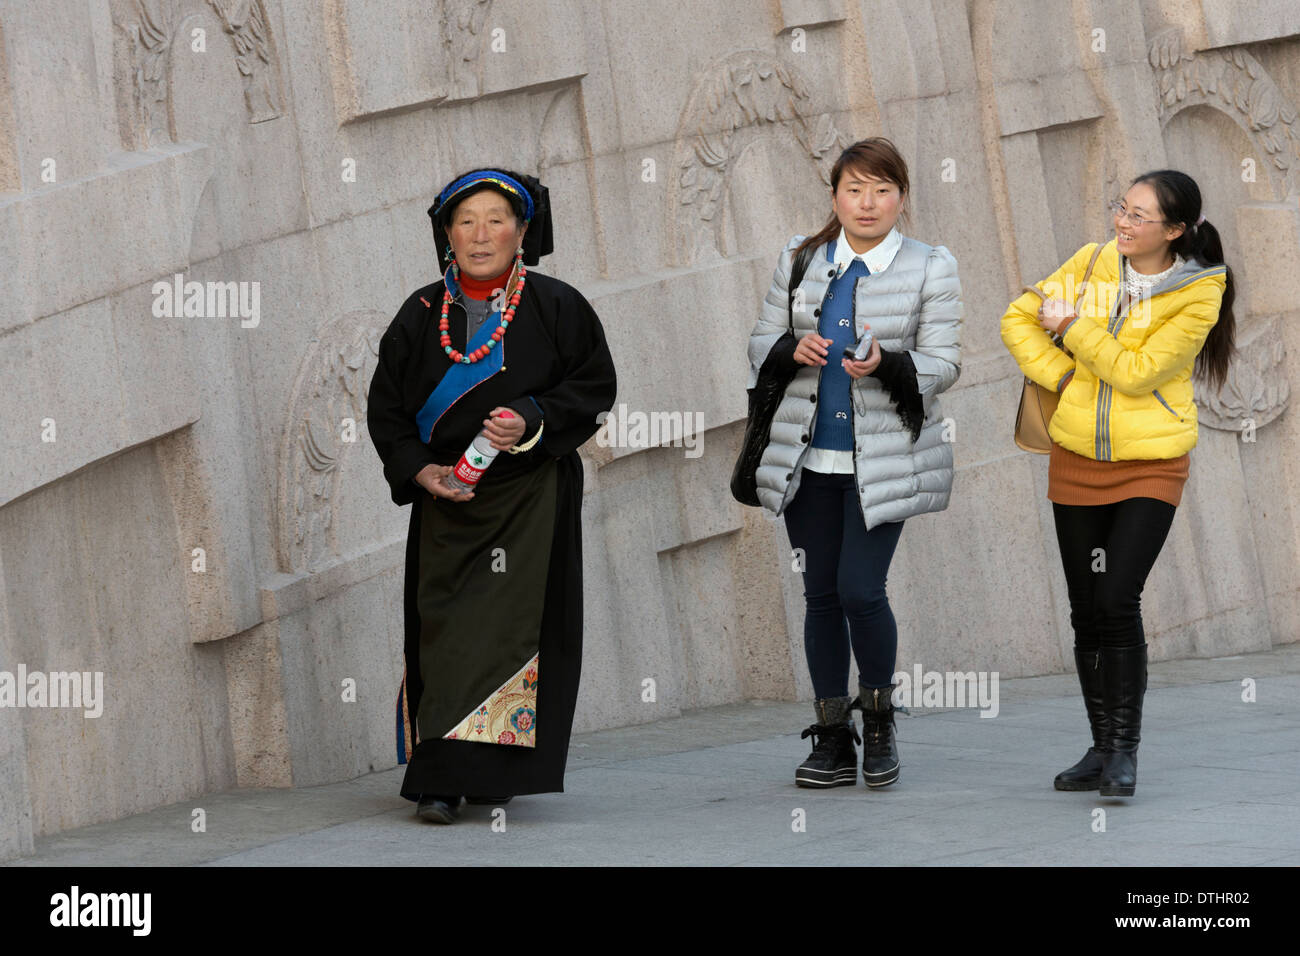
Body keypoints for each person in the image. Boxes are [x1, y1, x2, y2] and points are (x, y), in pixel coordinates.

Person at [367, 168, 617, 823]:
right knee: (446, 633)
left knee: (511, 634)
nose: (481, 235)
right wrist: (420, 471)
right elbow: (387, 410)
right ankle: (442, 775)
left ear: (523, 231)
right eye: (466, 221)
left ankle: (489, 771)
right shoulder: (421, 315)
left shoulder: (558, 306)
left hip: (530, 498)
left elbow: (593, 388)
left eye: (496, 220)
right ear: (446, 233)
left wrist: (530, 417)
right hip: (448, 499)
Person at [1000, 169, 1234, 797]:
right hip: (1076, 458)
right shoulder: (1092, 261)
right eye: (1121, 209)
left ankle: (1125, 750)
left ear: (1176, 230)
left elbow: (1136, 373)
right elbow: (1017, 319)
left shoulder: (1198, 293)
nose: (1122, 224)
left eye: (1139, 216)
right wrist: (1064, 377)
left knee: (1116, 599)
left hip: (1151, 462)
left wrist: (1073, 329)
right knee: (1084, 609)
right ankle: (1100, 747)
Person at [747, 138, 963, 789]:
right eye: (854, 190)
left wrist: (887, 365)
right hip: (806, 461)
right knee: (820, 596)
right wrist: (792, 347)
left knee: (861, 591)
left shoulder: (931, 265)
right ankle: (832, 736)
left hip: (885, 462)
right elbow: (759, 344)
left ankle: (879, 721)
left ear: (901, 197)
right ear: (835, 195)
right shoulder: (800, 258)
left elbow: (946, 362)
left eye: (882, 190)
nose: (867, 204)